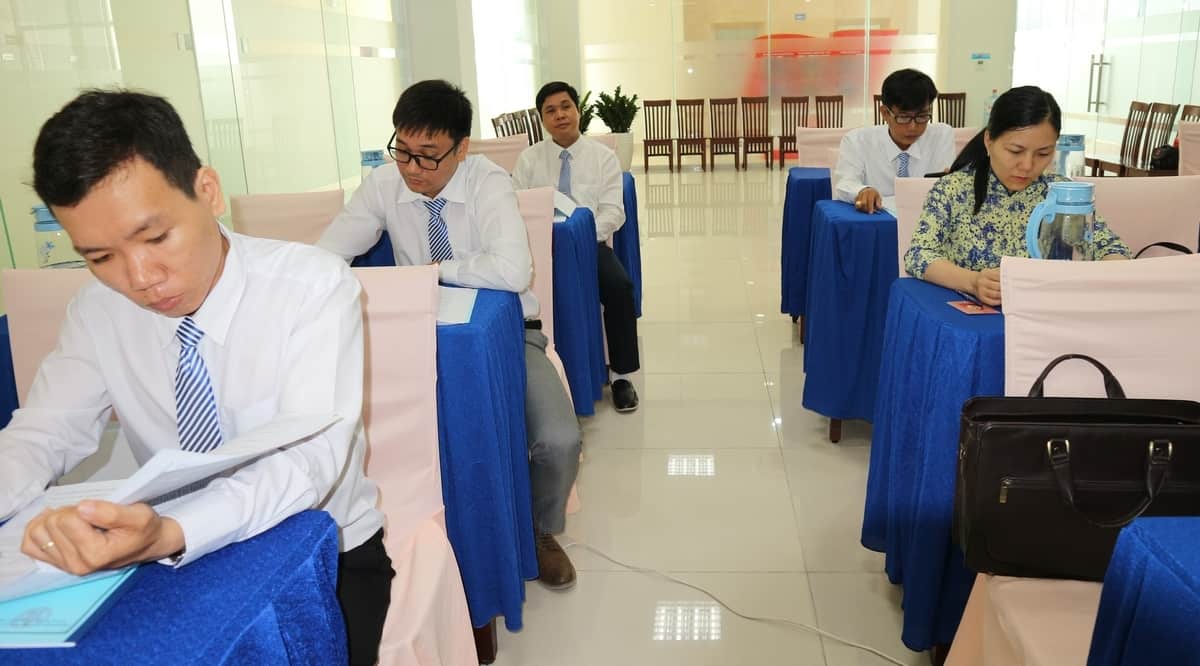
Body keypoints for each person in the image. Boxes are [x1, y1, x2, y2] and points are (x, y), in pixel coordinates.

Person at [0, 90, 390, 664]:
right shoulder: (98, 312)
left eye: (156, 237)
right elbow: (43, 433)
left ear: (208, 192)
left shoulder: (312, 287)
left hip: (319, 553)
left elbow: (309, 461)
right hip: (155, 555)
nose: (140, 277)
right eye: (100, 257)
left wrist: (171, 530)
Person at [317, 80, 583, 590]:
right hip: (410, 341)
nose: (412, 168)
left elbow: (512, 271)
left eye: (428, 156)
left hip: (509, 337)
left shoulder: (488, 182)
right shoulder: (383, 184)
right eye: (402, 151)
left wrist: (431, 274)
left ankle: (539, 529)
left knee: (559, 440)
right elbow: (328, 255)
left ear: (462, 149)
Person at [905, 86, 1130, 305]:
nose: (1027, 165)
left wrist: (1097, 277)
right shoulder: (953, 190)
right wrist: (973, 282)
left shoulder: (1061, 193)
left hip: (1046, 314)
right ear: (989, 141)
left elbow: (1113, 249)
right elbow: (919, 254)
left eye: (1043, 153)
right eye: (1015, 151)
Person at [513, 81, 641, 413]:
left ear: (578, 110)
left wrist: (580, 238)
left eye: (565, 106)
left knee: (619, 288)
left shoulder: (603, 158)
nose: (560, 115)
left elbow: (613, 211)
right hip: (537, 248)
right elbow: (515, 206)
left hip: (588, 246)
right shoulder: (529, 159)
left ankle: (621, 375)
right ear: (542, 118)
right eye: (550, 110)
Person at [834, 68, 956, 213]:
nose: (913, 127)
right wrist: (862, 191)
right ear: (885, 113)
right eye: (903, 117)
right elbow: (845, 182)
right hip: (878, 219)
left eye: (922, 116)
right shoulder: (857, 141)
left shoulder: (941, 136)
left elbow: (947, 185)